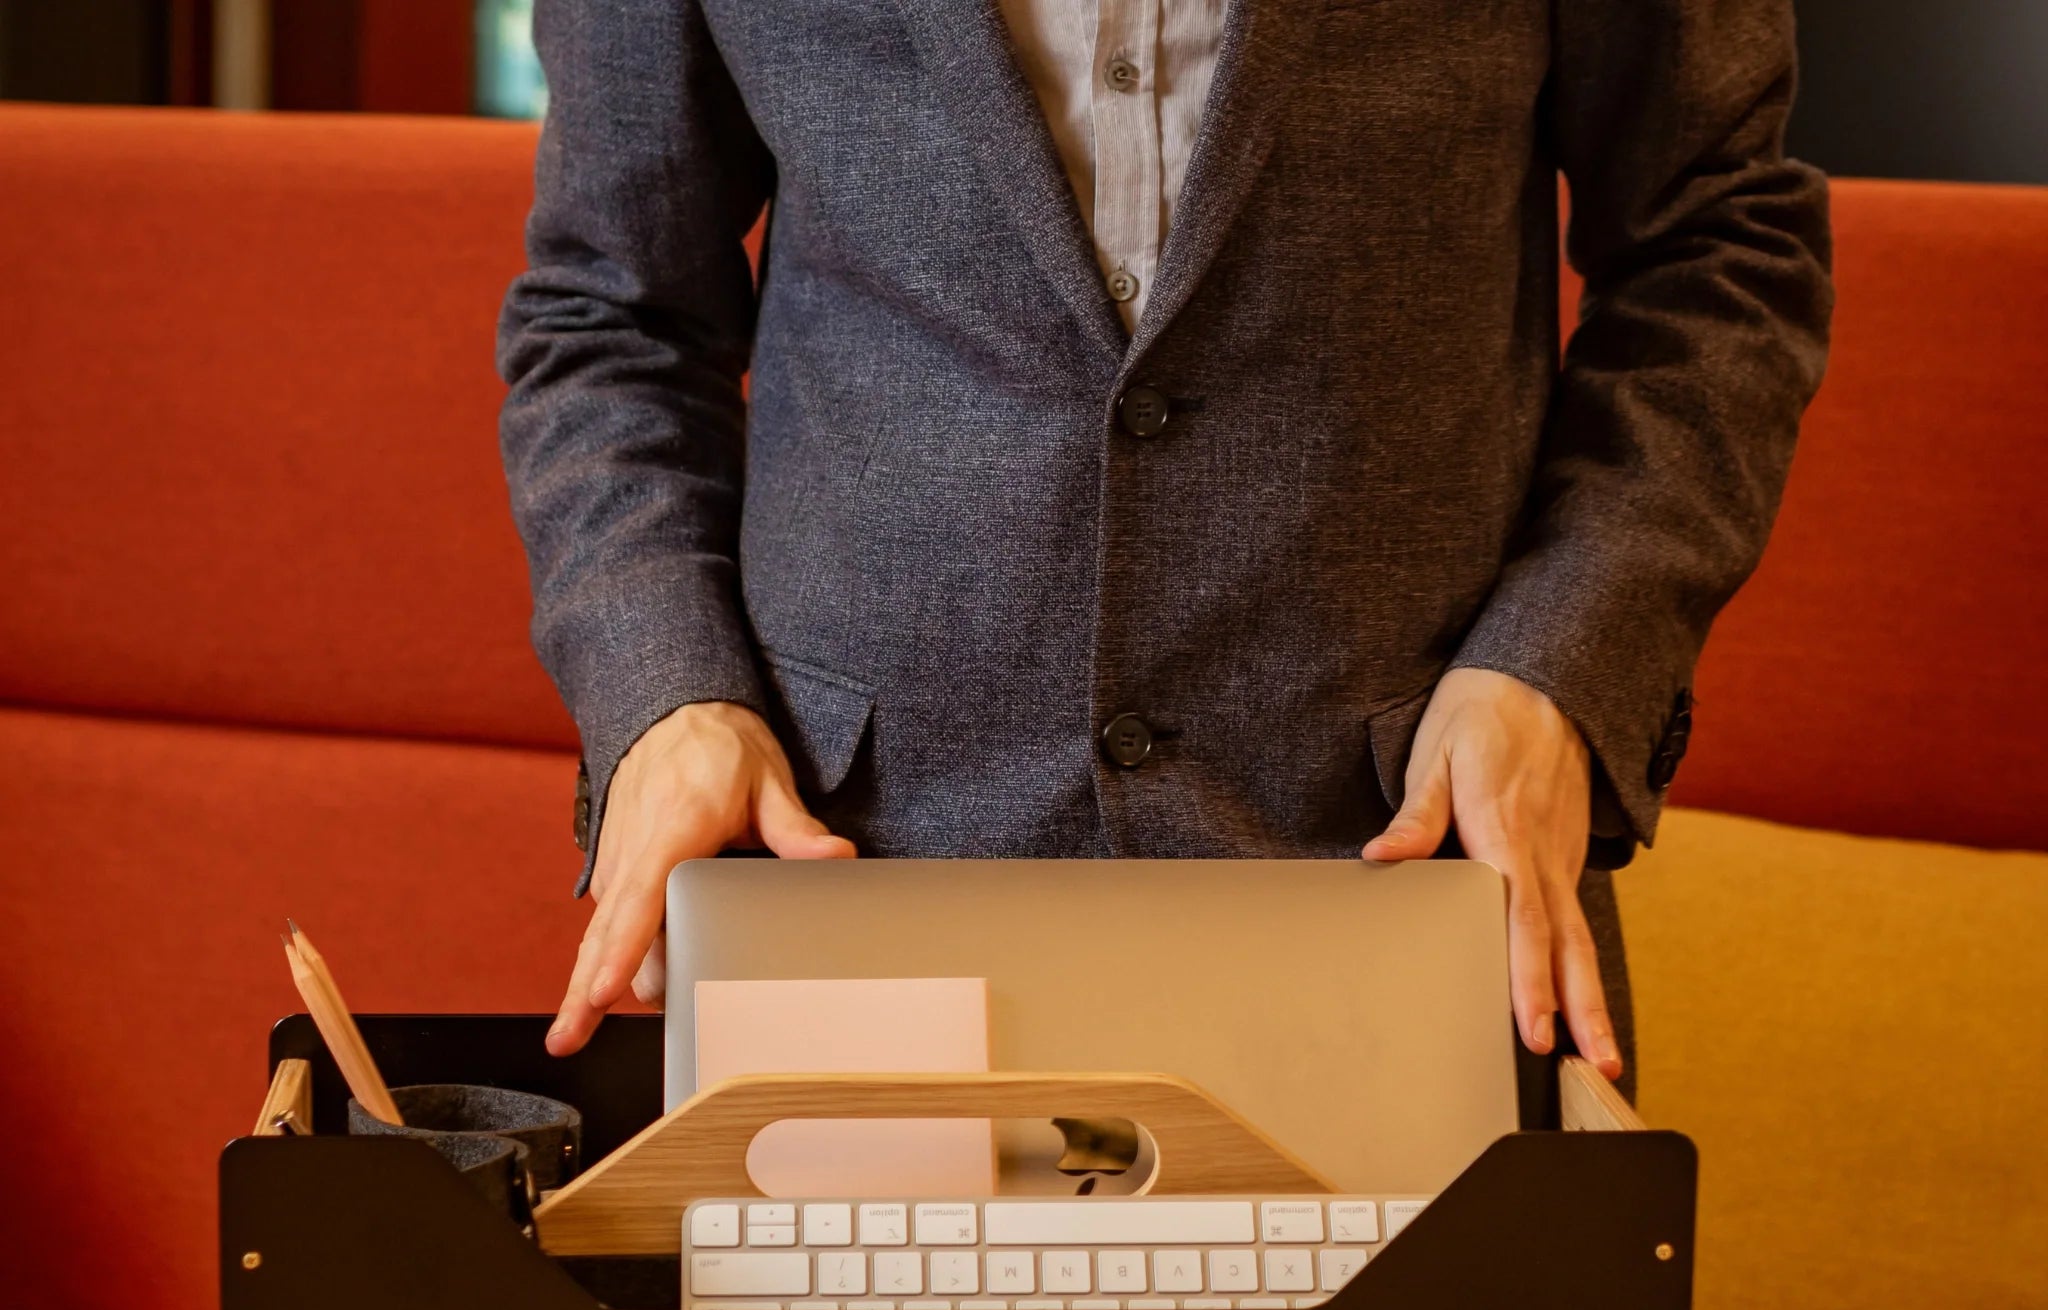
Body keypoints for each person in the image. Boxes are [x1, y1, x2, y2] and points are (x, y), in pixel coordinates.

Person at [500, 0, 1832, 1085]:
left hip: (1407, 877)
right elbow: (612, 316)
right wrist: (669, 695)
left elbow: (1719, 253)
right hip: (851, 888)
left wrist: (1557, 662)